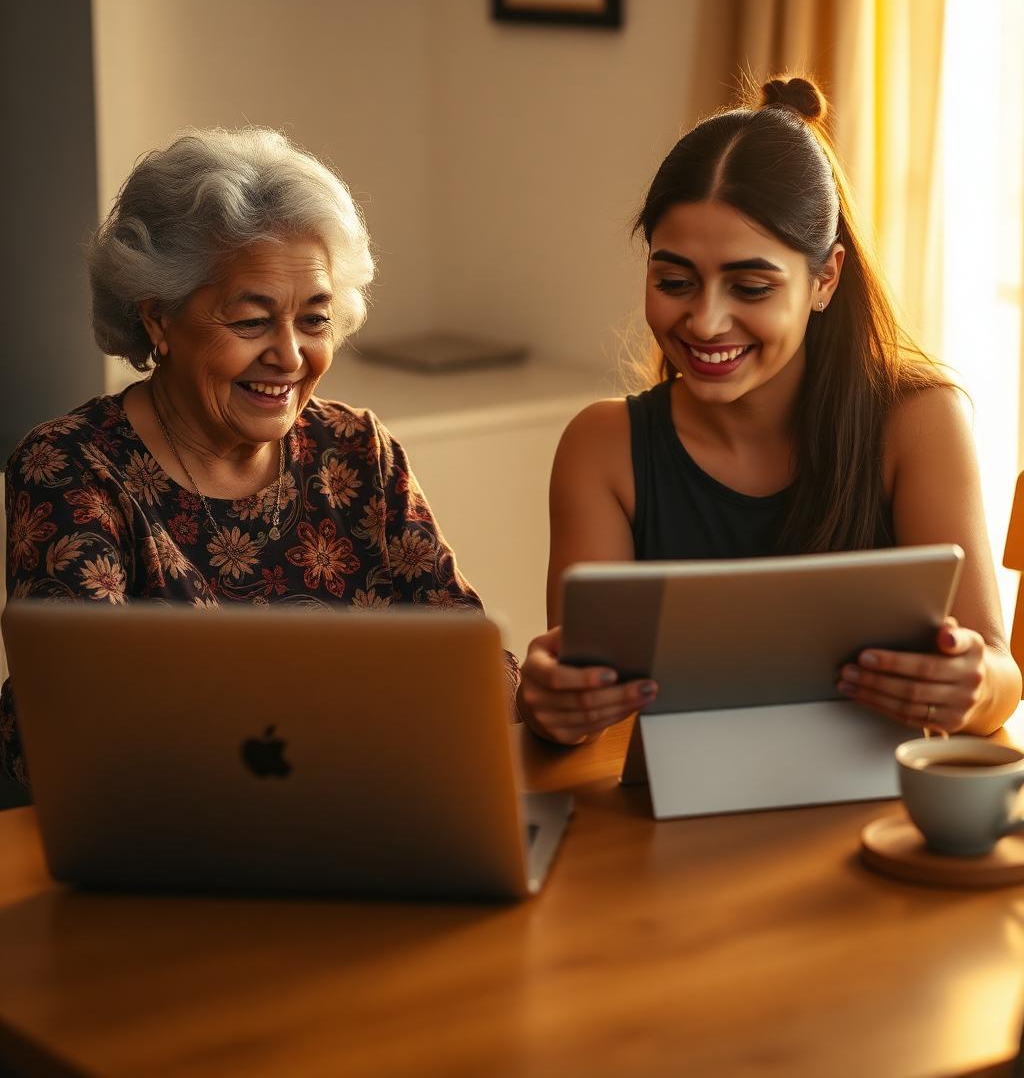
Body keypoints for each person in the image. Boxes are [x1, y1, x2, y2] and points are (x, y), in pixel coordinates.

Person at [1, 127, 518, 787]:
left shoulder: (358, 453)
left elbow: (464, 658)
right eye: (251, 321)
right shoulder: (70, 467)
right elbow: (86, 725)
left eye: (315, 320)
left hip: (356, 813)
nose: (291, 357)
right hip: (152, 848)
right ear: (158, 318)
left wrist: (541, 694)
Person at [517, 76, 1022, 746]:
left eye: (750, 286)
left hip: (874, 813)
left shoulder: (917, 421)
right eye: (673, 282)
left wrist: (974, 684)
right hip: (672, 819)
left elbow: (995, 672)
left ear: (826, 279)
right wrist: (554, 700)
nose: (705, 321)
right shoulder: (603, 447)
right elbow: (587, 716)